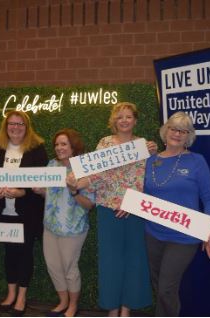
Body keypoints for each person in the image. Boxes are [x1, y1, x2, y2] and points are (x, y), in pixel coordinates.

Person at [69, 102, 157, 317]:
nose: (124, 120)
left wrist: (131, 203)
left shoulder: (143, 146)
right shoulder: (105, 143)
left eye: (128, 117)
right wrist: (77, 183)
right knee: (110, 262)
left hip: (134, 211)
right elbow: (97, 174)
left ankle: (126, 310)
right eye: (120, 117)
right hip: (108, 209)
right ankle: (112, 309)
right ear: (114, 122)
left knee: (134, 261)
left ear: (135, 120)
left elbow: (146, 179)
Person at [143, 111, 210, 316]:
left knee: (166, 287)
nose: (177, 134)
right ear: (166, 130)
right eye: (174, 128)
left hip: (184, 236)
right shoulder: (150, 161)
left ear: (188, 136)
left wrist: (208, 228)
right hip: (153, 233)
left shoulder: (196, 161)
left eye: (183, 131)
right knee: (160, 286)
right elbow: (142, 193)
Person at [0, 110, 48, 316]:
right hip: (3, 211)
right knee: (9, 253)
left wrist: (22, 191)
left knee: (24, 253)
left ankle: (22, 297)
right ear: (6, 126)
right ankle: (10, 294)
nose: (15, 127)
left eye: (20, 124)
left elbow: (42, 179)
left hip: (27, 211)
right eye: (12, 124)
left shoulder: (37, 148)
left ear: (27, 127)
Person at [33, 129, 95, 317]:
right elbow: (51, 193)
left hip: (72, 229)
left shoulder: (84, 168)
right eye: (57, 144)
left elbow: (89, 204)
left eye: (64, 144)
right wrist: (40, 191)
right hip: (50, 226)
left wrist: (75, 191)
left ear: (73, 146)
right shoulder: (51, 164)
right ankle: (62, 302)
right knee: (54, 266)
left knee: (69, 268)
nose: (59, 148)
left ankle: (73, 306)